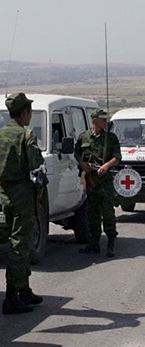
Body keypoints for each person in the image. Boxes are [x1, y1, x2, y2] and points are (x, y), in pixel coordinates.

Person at [0, 92, 45, 315]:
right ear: (24, 112)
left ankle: (24, 289)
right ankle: (11, 298)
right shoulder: (26, 135)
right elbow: (36, 164)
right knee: (20, 246)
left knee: (21, 241)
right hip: (23, 195)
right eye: (29, 111)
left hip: (6, 195)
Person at [75, 108, 122, 257]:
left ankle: (111, 243)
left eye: (106, 119)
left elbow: (117, 157)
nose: (105, 122)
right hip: (91, 180)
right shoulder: (84, 137)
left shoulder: (110, 138)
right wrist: (82, 163)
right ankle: (94, 243)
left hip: (105, 181)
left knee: (108, 213)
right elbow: (77, 153)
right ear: (95, 121)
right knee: (92, 213)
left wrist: (106, 166)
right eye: (102, 119)